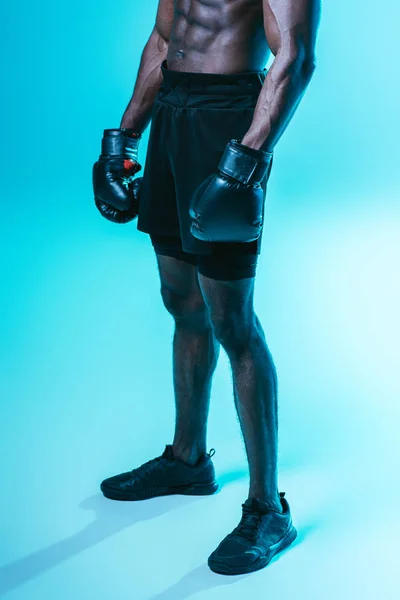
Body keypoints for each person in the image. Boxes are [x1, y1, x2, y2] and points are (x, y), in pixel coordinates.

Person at [93, 0, 321, 576]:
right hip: (171, 113)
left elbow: (294, 58)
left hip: (226, 125)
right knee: (182, 303)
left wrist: (244, 161)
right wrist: (123, 138)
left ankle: (268, 509)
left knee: (233, 324)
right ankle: (188, 460)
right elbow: (163, 37)